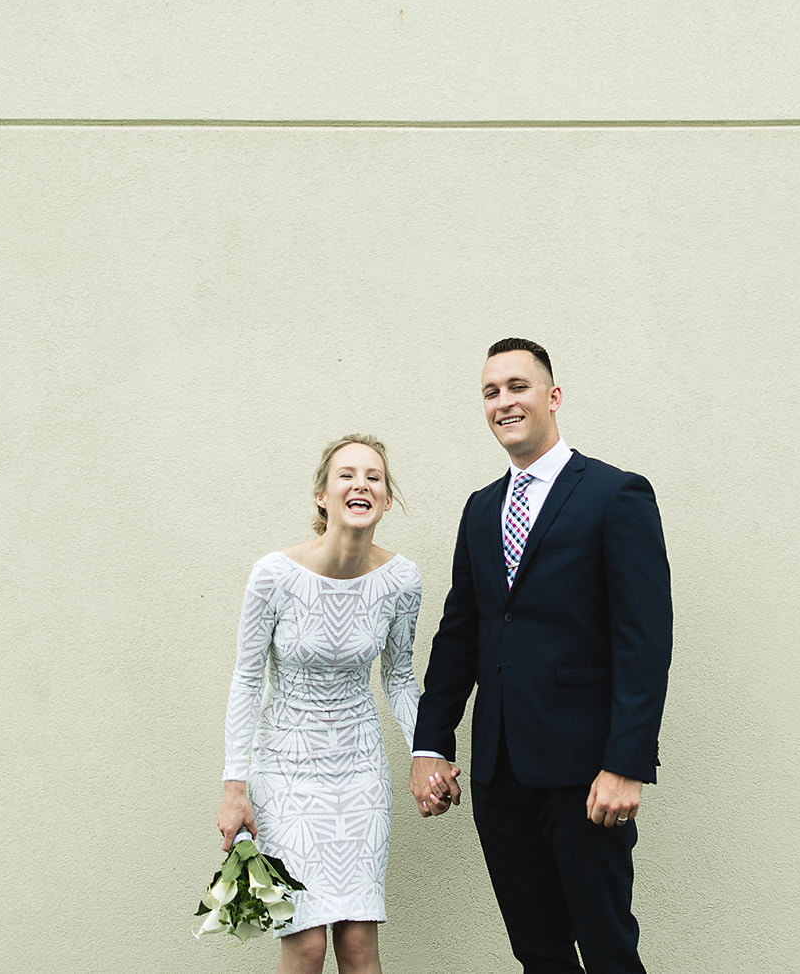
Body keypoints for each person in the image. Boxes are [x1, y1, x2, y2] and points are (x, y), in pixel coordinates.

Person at [410, 339, 674, 974]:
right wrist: (429, 744)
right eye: (491, 392)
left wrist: (625, 764)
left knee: (608, 949)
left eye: (518, 386)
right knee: (538, 953)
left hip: (585, 775)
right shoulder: (480, 509)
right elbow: (461, 633)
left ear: (553, 397)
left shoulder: (616, 495)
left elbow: (646, 639)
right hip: (499, 774)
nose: (505, 401)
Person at [218, 434, 451, 974]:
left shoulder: (401, 581)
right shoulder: (274, 575)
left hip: (360, 772)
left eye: (374, 476)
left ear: (387, 500)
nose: (360, 484)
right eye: (346, 474)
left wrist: (429, 752)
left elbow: (397, 676)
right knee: (306, 944)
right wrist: (235, 786)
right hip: (284, 772)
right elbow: (247, 679)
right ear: (323, 495)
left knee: (357, 944)